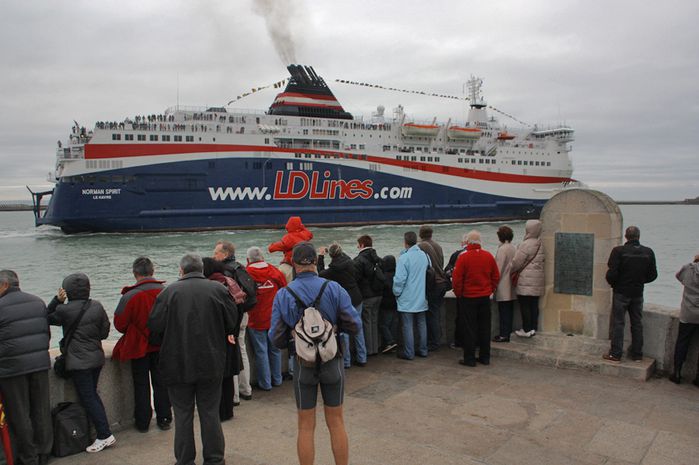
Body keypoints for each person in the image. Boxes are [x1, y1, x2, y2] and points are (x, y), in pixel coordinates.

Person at [270, 242, 362, 465]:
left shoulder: (284, 294)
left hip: (303, 363)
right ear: (315, 263)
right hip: (332, 360)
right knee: (336, 422)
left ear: (293, 264)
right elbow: (355, 325)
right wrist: (334, 329)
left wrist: (296, 339)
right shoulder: (333, 288)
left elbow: (276, 337)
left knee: (305, 425)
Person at [148, 254, 238, 465]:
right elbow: (231, 321)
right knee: (209, 412)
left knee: (182, 414)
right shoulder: (218, 290)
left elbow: (154, 327)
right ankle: (215, 459)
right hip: (211, 361)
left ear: (181, 270)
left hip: (177, 362)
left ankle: (185, 460)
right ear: (201, 269)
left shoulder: (168, 292)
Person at [47, 273, 115, 453]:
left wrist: (57, 300)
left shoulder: (64, 310)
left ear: (67, 290)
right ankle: (101, 432)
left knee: (89, 397)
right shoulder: (97, 306)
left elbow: (46, 317)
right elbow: (104, 333)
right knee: (92, 395)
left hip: (79, 362)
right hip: (96, 359)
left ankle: (104, 434)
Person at [112, 257, 172, 432]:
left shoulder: (130, 296)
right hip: (161, 344)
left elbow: (120, 324)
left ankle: (143, 421)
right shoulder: (166, 291)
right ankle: (165, 418)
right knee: (161, 382)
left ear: (135, 273)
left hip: (139, 347)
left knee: (141, 384)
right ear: (152, 272)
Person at [0, 270, 52, 465]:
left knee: (20, 414)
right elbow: (45, 334)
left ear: (4, 285)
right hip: (39, 364)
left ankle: (29, 457)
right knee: (41, 410)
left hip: (12, 368)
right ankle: (44, 452)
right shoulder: (38, 301)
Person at [603, 226, 657, 362]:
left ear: (626, 237)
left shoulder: (618, 251)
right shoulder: (648, 252)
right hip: (638, 292)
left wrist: (615, 284)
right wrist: (640, 281)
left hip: (621, 292)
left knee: (618, 323)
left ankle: (615, 353)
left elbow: (611, 273)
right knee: (637, 323)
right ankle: (637, 354)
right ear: (638, 236)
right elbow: (653, 275)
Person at [202, 258, 243, 421]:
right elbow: (239, 307)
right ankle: (228, 410)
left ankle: (218, 411)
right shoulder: (230, 282)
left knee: (216, 377)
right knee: (227, 376)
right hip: (230, 335)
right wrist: (233, 331)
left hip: (216, 336)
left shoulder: (209, 286)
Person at [452, 231, 500, 366]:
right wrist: (490, 289)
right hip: (484, 297)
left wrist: (459, 293)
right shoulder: (488, 256)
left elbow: (457, 279)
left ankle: (469, 358)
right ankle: (485, 357)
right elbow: (496, 276)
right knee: (484, 328)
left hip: (468, 297)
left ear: (468, 243)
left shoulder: (463, 257)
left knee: (469, 329)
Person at [213, 240, 253, 403]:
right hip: (243, 313)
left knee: (231, 353)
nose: (213, 255)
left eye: (216, 253)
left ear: (225, 254)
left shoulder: (224, 271)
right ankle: (246, 389)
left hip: (232, 316)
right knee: (241, 349)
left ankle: (234, 395)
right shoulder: (240, 267)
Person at [245, 247, 287, 390]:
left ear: (248, 260)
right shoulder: (274, 271)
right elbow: (284, 289)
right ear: (262, 257)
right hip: (274, 317)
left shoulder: (246, 273)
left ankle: (265, 383)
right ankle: (277, 379)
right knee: (275, 350)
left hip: (255, 318)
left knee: (261, 351)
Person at [318, 243, 365, 368]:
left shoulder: (332, 271)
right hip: (356, 296)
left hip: (343, 300)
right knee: (358, 328)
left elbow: (320, 273)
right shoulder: (350, 263)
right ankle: (362, 357)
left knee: (344, 332)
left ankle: (346, 361)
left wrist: (321, 256)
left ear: (331, 256)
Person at [393, 231, 430, 360]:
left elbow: (399, 280)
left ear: (405, 242)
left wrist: (396, 293)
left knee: (407, 326)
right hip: (421, 296)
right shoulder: (424, 255)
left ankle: (409, 352)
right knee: (421, 323)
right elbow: (428, 270)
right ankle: (423, 349)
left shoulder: (404, 258)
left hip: (407, 298)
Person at [511, 219, 545, 338]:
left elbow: (516, 263)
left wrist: (511, 270)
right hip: (537, 281)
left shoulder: (526, 244)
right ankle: (533, 328)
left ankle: (526, 329)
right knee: (534, 305)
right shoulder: (540, 243)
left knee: (524, 304)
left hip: (525, 280)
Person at [670, 253, 699, 385]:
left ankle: (677, 373)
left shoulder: (688, 268)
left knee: (682, 342)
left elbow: (678, 276)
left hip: (688, 312)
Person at [417, 225, 448, 351]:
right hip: (442, 283)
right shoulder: (438, 246)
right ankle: (437, 338)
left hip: (433, 284)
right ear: (431, 234)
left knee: (432, 314)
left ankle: (434, 342)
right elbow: (441, 263)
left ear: (420, 235)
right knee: (436, 312)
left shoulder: (421, 247)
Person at [353, 235, 383, 356]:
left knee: (366, 323)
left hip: (367, 296)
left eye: (357, 244)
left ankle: (369, 350)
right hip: (378, 294)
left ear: (361, 245)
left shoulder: (359, 260)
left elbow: (355, 279)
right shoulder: (377, 258)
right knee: (374, 321)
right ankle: (375, 347)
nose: (356, 247)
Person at [268, 216, 314, 283]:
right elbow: (309, 234)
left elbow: (274, 248)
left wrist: (271, 246)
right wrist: (301, 226)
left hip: (291, 263)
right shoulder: (305, 235)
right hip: (304, 262)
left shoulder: (288, 238)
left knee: (281, 272)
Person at [493, 226, 517, 342]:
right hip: (512, 284)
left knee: (504, 311)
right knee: (509, 310)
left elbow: (498, 269)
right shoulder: (513, 248)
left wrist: (493, 284)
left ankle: (504, 334)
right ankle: (507, 332)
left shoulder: (502, 249)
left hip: (503, 284)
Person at [445, 235, 468, 349]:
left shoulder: (458, 255)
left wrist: (457, 290)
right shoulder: (485, 254)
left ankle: (459, 342)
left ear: (463, 243)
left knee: (461, 318)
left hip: (463, 293)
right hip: (481, 294)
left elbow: (449, 272)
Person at [378, 255, 399, 353]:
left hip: (386, 304)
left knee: (383, 324)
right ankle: (392, 342)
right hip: (396, 303)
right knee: (393, 324)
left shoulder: (384, 276)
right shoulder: (397, 274)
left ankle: (390, 342)